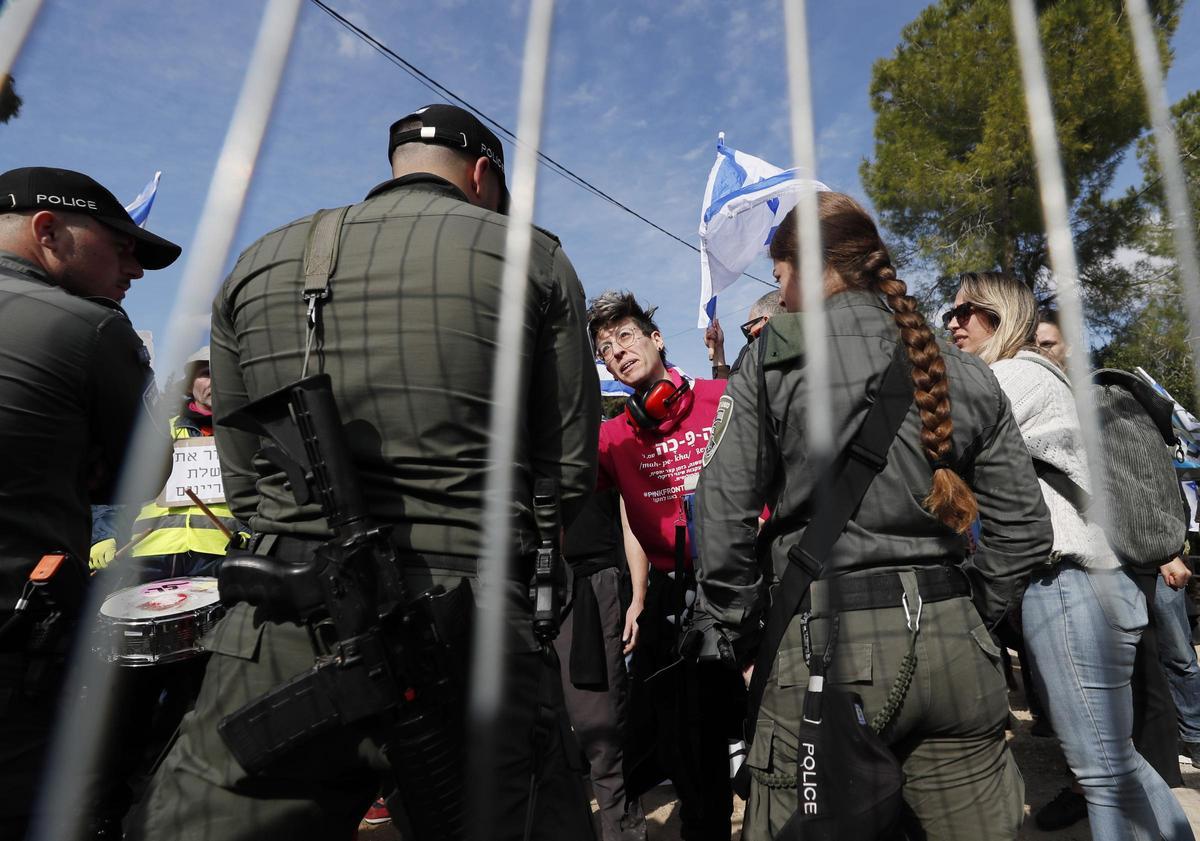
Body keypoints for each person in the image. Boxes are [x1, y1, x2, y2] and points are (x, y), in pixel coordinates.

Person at [128, 103, 600, 841]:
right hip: (470, 618)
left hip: (283, 622)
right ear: (483, 176)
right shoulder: (530, 257)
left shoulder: (258, 260)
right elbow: (566, 469)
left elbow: (245, 474)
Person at [695, 194, 1053, 841]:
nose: (783, 301)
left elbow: (720, 523)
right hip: (958, 653)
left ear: (806, 268)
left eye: (779, 281)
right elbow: (1027, 532)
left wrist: (746, 636)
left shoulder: (774, 354)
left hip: (820, 648)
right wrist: (968, 611)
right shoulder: (963, 368)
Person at [949, 270, 1194, 841]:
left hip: (1068, 584)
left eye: (966, 312)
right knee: (1116, 758)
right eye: (949, 315)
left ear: (1002, 314)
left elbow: (936, 442)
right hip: (1094, 585)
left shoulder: (1010, 377)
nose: (953, 324)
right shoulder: (1033, 376)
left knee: (1100, 771)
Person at [0, 166, 180, 841]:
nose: (135, 267)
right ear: (47, 231)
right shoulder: (92, 327)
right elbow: (141, 474)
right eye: (120, 244)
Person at [588, 290, 743, 841]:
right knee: (692, 755)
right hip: (676, 603)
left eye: (626, 336)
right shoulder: (611, 438)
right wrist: (638, 596)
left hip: (750, 591)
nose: (617, 351)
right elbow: (627, 518)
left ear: (657, 339)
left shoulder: (725, 399)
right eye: (605, 349)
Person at [555, 486, 647, 841]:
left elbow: (631, 521)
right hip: (514, 591)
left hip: (591, 590)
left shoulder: (603, 437)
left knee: (604, 734)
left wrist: (638, 596)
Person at [126, 346, 243, 581]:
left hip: (222, 553)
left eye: (222, 371)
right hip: (150, 553)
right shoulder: (157, 433)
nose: (215, 379)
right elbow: (123, 486)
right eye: (206, 373)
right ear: (189, 385)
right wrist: (103, 536)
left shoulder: (247, 437)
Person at [705, 289, 784, 379]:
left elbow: (727, 391)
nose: (749, 336)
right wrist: (718, 348)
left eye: (749, 330)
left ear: (765, 321)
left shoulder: (759, 362)